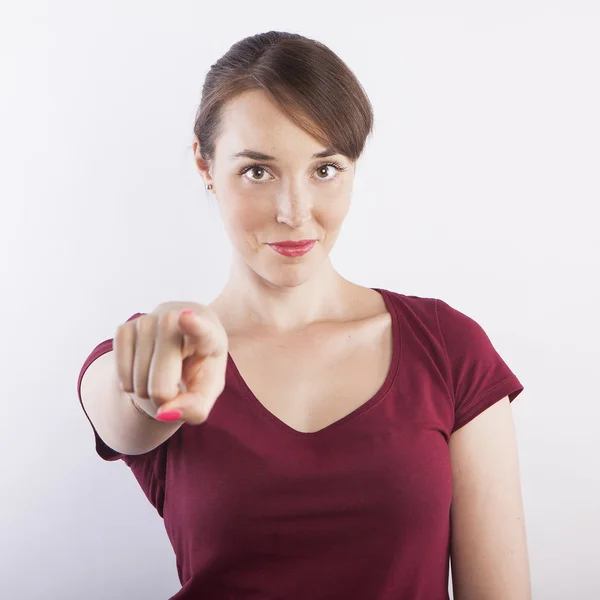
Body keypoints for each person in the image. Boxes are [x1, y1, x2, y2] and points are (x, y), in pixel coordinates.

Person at [77, 30, 531, 600]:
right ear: (204, 163)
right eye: (258, 171)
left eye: (324, 169)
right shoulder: (161, 351)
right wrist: (160, 368)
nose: (295, 213)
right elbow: (126, 407)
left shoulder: (448, 349)